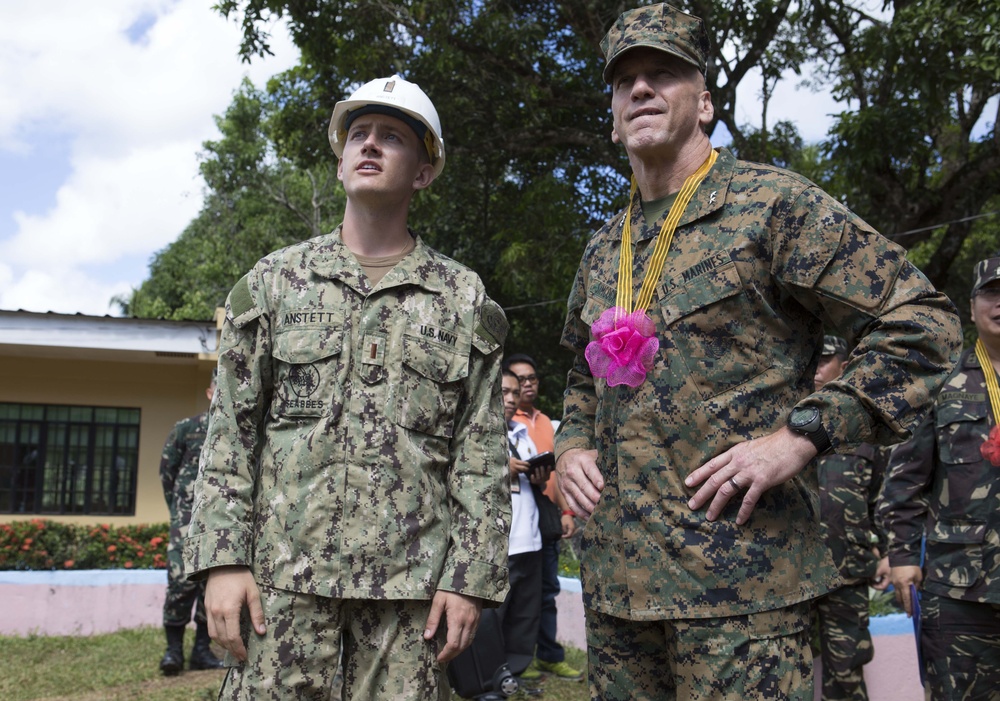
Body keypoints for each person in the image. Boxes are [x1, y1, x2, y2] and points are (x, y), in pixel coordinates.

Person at [553, 4, 961, 699]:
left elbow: (924, 322)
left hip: (742, 595)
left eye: (663, 73)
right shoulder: (603, 248)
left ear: (705, 101)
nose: (641, 90)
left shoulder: (771, 206)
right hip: (621, 593)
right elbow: (581, 377)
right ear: (613, 114)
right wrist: (572, 444)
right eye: (625, 82)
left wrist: (801, 435)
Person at [184, 75, 511, 701]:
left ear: (423, 170)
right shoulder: (275, 283)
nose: (370, 145)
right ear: (339, 165)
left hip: (409, 598)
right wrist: (224, 562)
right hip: (282, 590)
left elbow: (481, 457)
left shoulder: (462, 298)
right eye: (358, 134)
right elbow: (229, 434)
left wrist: (469, 579)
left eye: (392, 137)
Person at [879, 255, 1000, 699]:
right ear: (971, 308)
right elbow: (903, 481)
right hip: (960, 586)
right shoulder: (941, 384)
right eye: (991, 293)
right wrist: (904, 555)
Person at [812, 336, 890, 701]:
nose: (816, 368)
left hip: (848, 572)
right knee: (779, 674)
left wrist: (890, 552)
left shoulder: (865, 430)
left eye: (825, 360)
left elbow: (883, 499)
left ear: (843, 365)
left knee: (846, 675)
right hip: (793, 575)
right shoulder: (779, 425)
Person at [503, 353, 582, 682]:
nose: (524, 386)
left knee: (540, 597)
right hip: (511, 531)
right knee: (507, 603)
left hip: (541, 522)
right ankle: (500, 668)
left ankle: (537, 659)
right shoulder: (502, 423)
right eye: (515, 383)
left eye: (531, 379)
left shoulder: (543, 423)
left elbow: (554, 474)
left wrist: (565, 510)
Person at [158, 371, 225, 675]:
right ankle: (173, 651)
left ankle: (201, 651)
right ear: (210, 393)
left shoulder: (238, 432)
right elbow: (166, 473)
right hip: (186, 521)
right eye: (218, 389)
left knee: (210, 583)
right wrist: (180, 512)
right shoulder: (186, 429)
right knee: (180, 582)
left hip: (222, 521)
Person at [498, 369, 545, 689]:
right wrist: (502, 466)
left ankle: (514, 674)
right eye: (504, 391)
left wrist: (539, 475)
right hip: (501, 542)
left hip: (531, 539)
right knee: (495, 615)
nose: (512, 398)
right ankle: (486, 673)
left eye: (516, 392)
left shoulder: (520, 432)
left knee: (525, 613)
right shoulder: (478, 433)